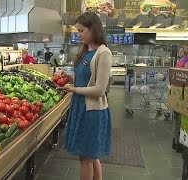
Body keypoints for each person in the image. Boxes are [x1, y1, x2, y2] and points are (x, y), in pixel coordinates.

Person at [58, 11, 112, 180]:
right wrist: (69, 77)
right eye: (77, 30)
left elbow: (99, 90)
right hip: (80, 107)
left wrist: (73, 89)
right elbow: (84, 78)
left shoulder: (104, 53)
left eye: (81, 31)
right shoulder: (85, 51)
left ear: (93, 29)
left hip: (92, 111)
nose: (78, 34)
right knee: (91, 154)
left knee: (86, 157)